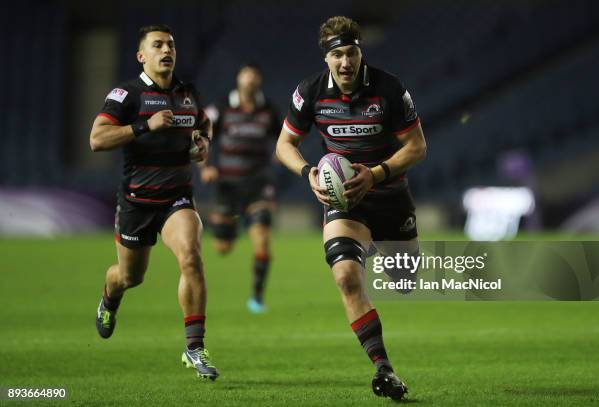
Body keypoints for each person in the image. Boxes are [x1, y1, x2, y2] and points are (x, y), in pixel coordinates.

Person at [275, 16, 426, 400]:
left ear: (361, 52)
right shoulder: (309, 91)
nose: (346, 62)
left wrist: (375, 175)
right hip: (345, 202)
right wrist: (308, 171)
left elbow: (417, 146)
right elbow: (284, 145)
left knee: (406, 284)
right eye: (338, 54)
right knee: (345, 277)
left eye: (352, 52)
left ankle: (373, 245)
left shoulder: (389, 88)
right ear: (326, 58)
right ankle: (384, 368)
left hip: (389, 195)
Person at [90, 24, 219, 380]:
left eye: (171, 45)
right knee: (130, 278)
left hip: (177, 199)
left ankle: (194, 347)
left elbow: (204, 123)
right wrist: (144, 127)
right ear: (141, 56)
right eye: (158, 45)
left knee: (191, 257)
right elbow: (97, 139)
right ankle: (109, 297)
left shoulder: (187, 93)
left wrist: (203, 142)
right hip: (136, 202)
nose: (167, 50)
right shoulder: (126, 95)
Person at [200, 63, 280, 313]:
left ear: (259, 81)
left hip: (258, 184)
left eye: (254, 76)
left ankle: (256, 298)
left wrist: (282, 152)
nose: (250, 80)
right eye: (246, 75)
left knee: (263, 241)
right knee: (222, 248)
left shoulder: (269, 109)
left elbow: (284, 137)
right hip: (227, 185)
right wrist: (205, 167)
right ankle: (232, 225)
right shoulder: (222, 106)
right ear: (238, 80)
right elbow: (202, 134)